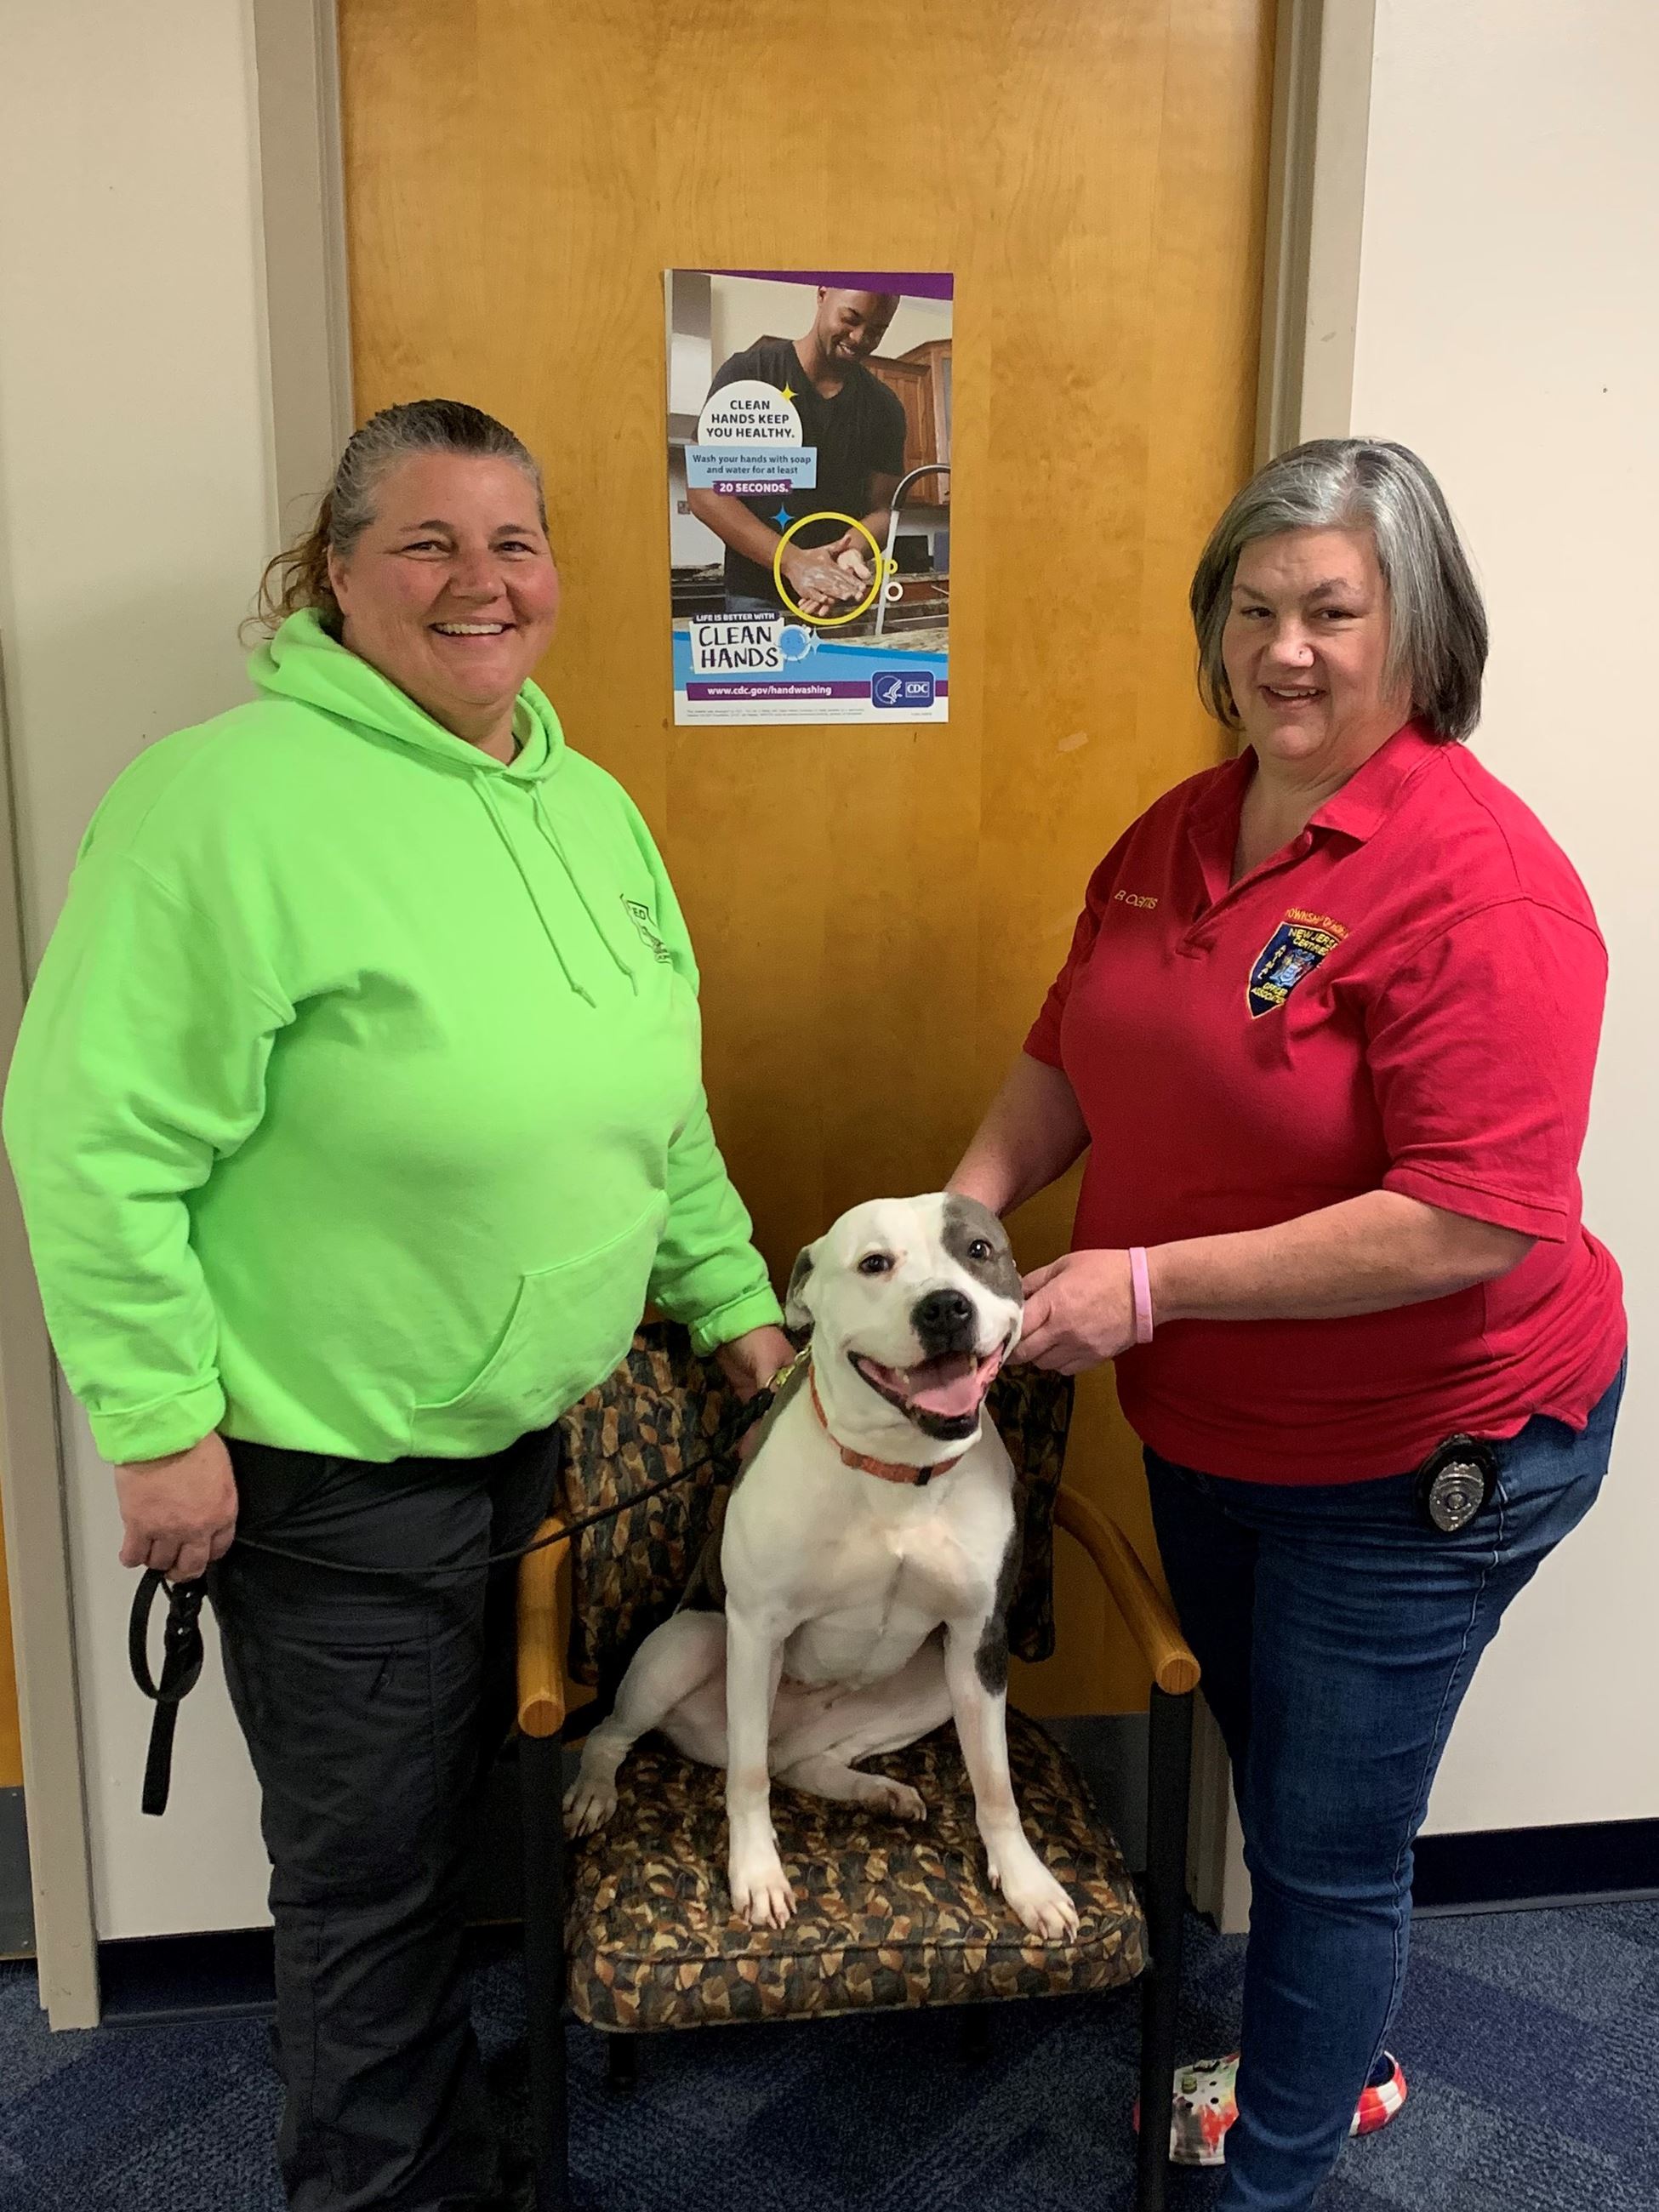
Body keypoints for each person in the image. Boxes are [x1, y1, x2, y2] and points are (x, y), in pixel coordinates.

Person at [3, 398, 793, 2212]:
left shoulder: (583, 803)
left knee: (443, 1850)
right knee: (366, 1886)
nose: (478, 580)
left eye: (512, 541)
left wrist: (739, 1304)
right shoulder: (223, 801)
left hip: (527, 1434)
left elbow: (654, 1105)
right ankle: (379, 2185)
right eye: (426, 543)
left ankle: (437, 2142)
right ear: (336, 576)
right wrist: (155, 1425)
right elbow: (86, 1134)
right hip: (325, 1462)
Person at [949, 437, 1625, 2211]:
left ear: (1419, 631)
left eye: (1335, 608)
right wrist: (965, 1221)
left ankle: (1281, 2170)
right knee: (1285, 1775)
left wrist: (1149, 1283)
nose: (1289, 648)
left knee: (1325, 1851)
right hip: (1217, 1429)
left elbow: (1479, 1213)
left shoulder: (1482, 883)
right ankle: (1346, 2047)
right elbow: (1068, 1048)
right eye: (1254, 609)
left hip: (1423, 1452)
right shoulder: (1182, 827)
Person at [687, 286, 906, 617]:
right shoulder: (751, 374)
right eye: (851, 319)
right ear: (822, 294)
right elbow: (705, 492)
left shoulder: (885, 407)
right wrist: (793, 562)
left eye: (877, 331)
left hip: (836, 597)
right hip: (755, 600)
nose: (860, 338)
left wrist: (852, 550)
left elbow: (883, 511)